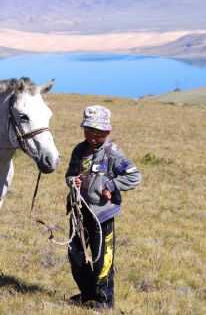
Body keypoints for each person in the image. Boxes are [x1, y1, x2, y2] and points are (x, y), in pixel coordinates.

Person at [65, 105, 141, 309]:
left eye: (97, 133)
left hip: (102, 215)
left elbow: (134, 176)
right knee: (75, 255)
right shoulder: (79, 150)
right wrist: (73, 181)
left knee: (102, 260)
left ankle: (104, 302)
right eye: (88, 131)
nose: (92, 136)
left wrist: (111, 185)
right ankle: (88, 295)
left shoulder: (113, 153)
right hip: (79, 213)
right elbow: (70, 174)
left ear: (107, 132)